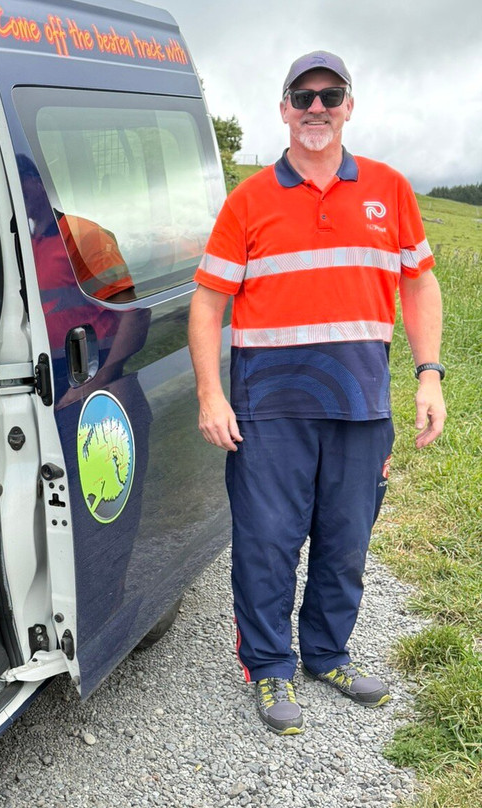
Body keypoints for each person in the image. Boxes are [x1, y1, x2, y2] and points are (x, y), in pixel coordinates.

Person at [188, 51, 445, 735]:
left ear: (348, 107)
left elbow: (419, 284)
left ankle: (327, 653)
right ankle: (270, 667)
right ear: (283, 110)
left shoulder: (389, 189)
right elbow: (208, 304)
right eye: (303, 97)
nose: (316, 108)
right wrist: (212, 396)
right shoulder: (249, 201)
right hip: (268, 410)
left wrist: (429, 374)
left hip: (361, 406)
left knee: (345, 540)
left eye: (330, 96)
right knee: (267, 541)